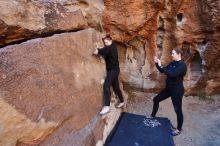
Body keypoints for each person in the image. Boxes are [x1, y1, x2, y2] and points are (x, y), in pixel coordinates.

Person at [150, 48, 187, 136]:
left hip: (177, 91)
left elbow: (172, 74)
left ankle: (178, 129)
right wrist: (157, 63)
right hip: (169, 89)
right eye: (171, 53)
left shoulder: (182, 65)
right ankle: (152, 116)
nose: (171, 55)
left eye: (173, 53)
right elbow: (163, 70)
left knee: (177, 110)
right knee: (156, 99)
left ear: (179, 54)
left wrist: (161, 66)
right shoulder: (173, 63)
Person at [93, 35, 124, 115]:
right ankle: (122, 101)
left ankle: (107, 107)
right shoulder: (111, 47)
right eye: (104, 43)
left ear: (110, 41)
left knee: (106, 86)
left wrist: (97, 51)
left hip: (113, 71)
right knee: (116, 87)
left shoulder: (112, 47)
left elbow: (103, 50)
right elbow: (105, 50)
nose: (105, 44)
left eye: (106, 42)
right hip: (115, 70)